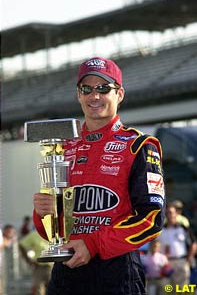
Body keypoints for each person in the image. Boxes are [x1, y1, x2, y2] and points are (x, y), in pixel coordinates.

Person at [33, 56, 166, 295]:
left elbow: (151, 218)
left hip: (116, 272)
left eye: (104, 88)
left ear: (120, 94)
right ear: (79, 95)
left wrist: (93, 244)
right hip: (66, 273)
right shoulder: (62, 147)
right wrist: (43, 213)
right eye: (87, 89)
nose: (95, 96)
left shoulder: (139, 146)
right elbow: (51, 231)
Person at [158, 204, 197, 293]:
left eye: (171, 212)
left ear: (176, 214)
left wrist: (189, 260)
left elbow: (193, 244)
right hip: (165, 264)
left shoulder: (183, 228)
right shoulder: (160, 230)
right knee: (166, 290)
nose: (169, 215)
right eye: (167, 212)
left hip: (181, 262)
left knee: (182, 290)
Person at [19, 230, 53, 295]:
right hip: (39, 267)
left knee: (53, 289)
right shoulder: (34, 234)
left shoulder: (57, 233)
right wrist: (28, 261)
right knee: (38, 289)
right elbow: (21, 245)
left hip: (53, 267)